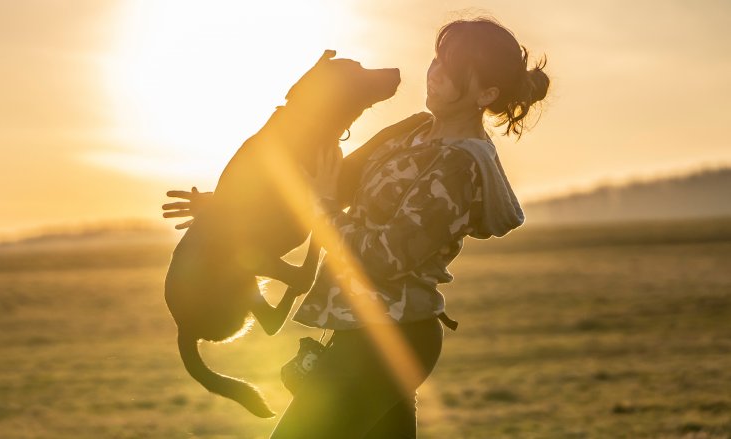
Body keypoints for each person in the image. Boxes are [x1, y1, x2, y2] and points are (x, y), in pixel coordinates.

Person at [164, 17, 549, 439]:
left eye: (453, 71)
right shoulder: (412, 131)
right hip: (357, 332)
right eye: (437, 61)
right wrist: (224, 209)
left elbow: (382, 257)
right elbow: (328, 183)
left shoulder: (459, 166)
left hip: (390, 340)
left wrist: (327, 206)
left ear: (486, 93)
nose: (436, 74)